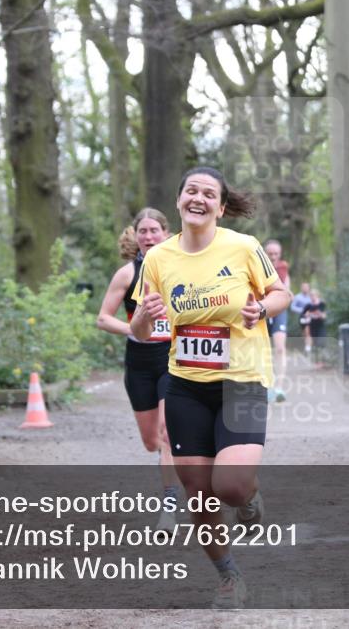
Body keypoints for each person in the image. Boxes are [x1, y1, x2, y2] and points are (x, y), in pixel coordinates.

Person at [130, 166, 291, 610]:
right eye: (190, 191)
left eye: (208, 193)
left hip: (242, 380)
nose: (198, 198)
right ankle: (228, 576)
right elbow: (141, 329)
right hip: (186, 385)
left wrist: (261, 308)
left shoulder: (243, 247)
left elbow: (281, 293)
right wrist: (145, 315)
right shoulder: (159, 258)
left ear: (221, 207)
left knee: (232, 487)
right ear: (179, 200)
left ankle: (251, 495)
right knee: (199, 493)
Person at [96, 208, 180, 532]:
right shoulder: (127, 273)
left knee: (166, 435)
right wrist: (134, 328)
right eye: (142, 231)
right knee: (151, 442)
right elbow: (103, 318)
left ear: (166, 234)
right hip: (140, 361)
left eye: (154, 230)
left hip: (172, 358)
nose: (148, 237)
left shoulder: (179, 269)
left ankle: (169, 507)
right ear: (136, 236)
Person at [263, 240, 290, 402]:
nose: (273, 256)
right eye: (270, 253)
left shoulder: (283, 268)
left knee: (280, 348)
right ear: (265, 253)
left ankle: (279, 387)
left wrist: (288, 294)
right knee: (263, 349)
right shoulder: (258, 266)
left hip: (278, 311)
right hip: (263, 309)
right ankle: (266, 387)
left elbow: (287, 289)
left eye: (275, 254)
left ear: (279, 254)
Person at [301, 289, 327, 366]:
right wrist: (307, 315)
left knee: (321, 343)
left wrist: (320, 314)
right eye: (311, 296)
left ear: (317, 295)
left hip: (320, 326)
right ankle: (317, 362)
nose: (312, 297)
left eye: (314, 295)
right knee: (315, 344)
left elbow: (324, 316)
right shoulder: (308, 306)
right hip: (311, 326)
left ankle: (322, 362)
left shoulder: (322, 305)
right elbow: (303, 316)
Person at [289, 282, 312, 354]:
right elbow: (292, 307)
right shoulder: (298, 297)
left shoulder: (311, 297)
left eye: (307, 287)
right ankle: (307, 347)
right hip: (302, 317)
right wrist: (303, 311)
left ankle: (308, 348)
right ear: (301, 288)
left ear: (309, 288)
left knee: (308, 331)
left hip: (311, 317)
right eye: (304, 287)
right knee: (305, 332)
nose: (305, 288)